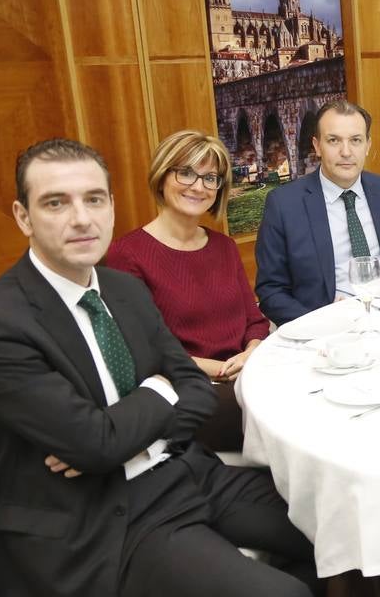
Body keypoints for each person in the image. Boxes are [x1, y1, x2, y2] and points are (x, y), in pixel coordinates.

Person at [0, 139, 335, 597]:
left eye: (93, 199)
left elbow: (192, 392)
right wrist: (139, 409)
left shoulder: (121, 290)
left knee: (329, 520)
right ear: (23, 216)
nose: (80, 218)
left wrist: (129, 420)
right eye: (56, 202)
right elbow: (94, 446)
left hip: (180, 467)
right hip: (100, 514)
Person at [107, 131, 268, 452]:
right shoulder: (127, 255)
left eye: (210, 178)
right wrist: (223, 370)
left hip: (247, 374)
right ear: (162, 176)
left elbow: (255, 320)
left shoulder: (223, 246)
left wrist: (251, 353)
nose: (198, 186)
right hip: (189, 388)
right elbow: (144, 351)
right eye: (186, 172)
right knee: (291, 417)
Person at [255, 99, 380, 326]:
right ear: (317, 146)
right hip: (326, 330)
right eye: (334, 140)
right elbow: (271, 291)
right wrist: (321, 322)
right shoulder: (284, 205)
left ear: (367, 145)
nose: (346, 152)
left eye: (356, 140)